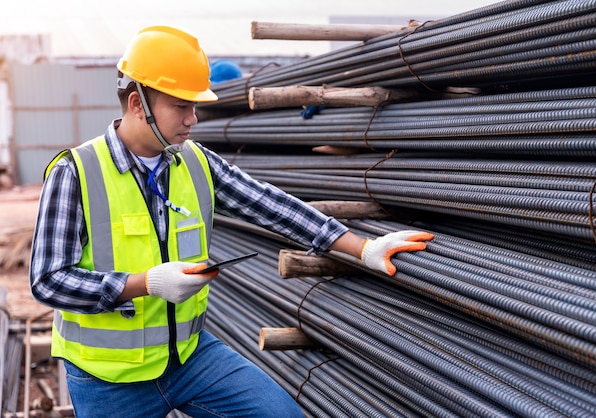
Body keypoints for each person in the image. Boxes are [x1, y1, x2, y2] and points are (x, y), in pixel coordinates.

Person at [29, 25, 434, 418]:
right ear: (138, 104)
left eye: (195, 106)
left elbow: (273, 206)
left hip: (188, 358)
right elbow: (47, 280)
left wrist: (362, 248)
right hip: (107, 378)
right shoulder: (76, 173)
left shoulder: (196, 162)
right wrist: (145, 284)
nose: (193, 119)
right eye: (181, 106)